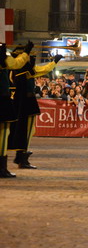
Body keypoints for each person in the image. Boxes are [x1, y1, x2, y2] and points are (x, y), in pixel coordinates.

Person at [8, 52, 62, 169]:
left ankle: (21, 155)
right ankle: (22, 156)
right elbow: (40, 70)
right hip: (25, 102)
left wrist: (54, 62)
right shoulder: (20, 70)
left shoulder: (17, 69)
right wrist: (54, 62)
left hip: (20, 101)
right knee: (26, 130)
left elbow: (43, 69)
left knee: (26, 130)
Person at [0, 42, 31, 177]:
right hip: (2, 99)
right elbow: (16, 64)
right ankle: (1, 168)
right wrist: (26, 53)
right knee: (3, 134)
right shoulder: (3, 59)